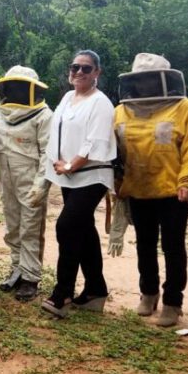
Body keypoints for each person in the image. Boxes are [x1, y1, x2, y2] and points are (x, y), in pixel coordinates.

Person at [111, 54, 188, 327]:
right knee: (144, 245)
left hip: (173, 192)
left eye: (150, 78)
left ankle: (173, 301)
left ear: (163, 79)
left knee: (173, 247)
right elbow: (114, 152)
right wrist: (116, 183)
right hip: (138, 190)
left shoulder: (186, 109)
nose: (145, 85)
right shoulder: (120, 112)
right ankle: (148, 293)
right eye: (140, 80)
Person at [40, 50, 116, 319]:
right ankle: (96, 289)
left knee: (67, 226)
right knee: (84, 229)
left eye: (86, 68)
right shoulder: (67, 98)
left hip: (92, 174)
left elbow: (95, 142)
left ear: (97, 72)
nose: (79, 73)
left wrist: (71, 165)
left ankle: (63, 292)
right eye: (75, 68)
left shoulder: (101, 103)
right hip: (67, 174)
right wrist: (60, 166)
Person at [0, 66, 53, 301]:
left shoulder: (44, 115)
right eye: (12, 85)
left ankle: (30, 278)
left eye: (20, 86)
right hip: (5, 177)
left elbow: (48, 152)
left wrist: (41, 185)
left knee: (31, 228)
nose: (15, 89)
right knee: (13, 226)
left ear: (31, 89)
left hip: (31, 178)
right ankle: (17, 269)